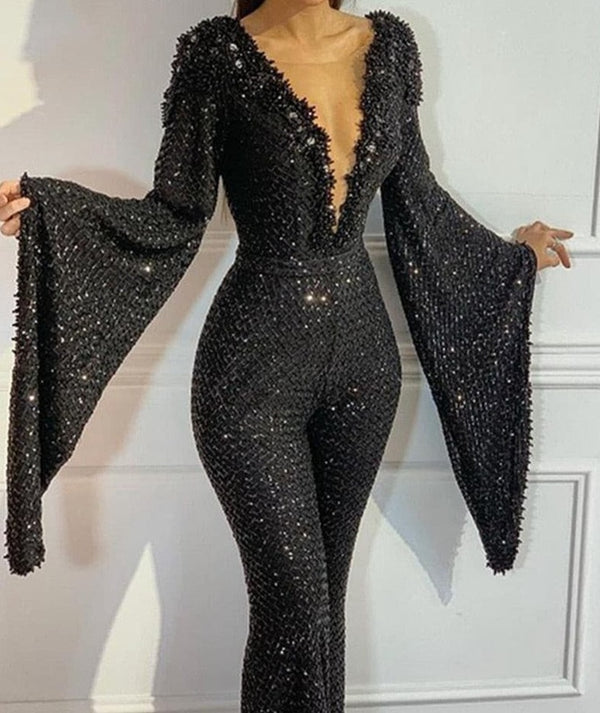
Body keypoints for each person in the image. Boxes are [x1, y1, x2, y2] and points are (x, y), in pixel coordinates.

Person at [0, 1, 573, 710]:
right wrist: (52, 215)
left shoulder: (391, 49)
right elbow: (175, 213)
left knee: (322, 610)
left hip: (365, 373)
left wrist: (515, 259)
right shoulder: (216, 58)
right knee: (292, 614)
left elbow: (418, 200)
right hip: (249, 378)